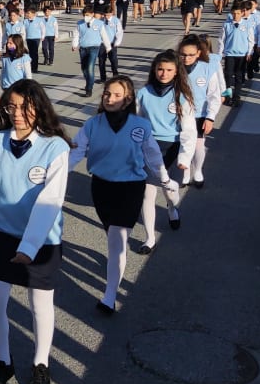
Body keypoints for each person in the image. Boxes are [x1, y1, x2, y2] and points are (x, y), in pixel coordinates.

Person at [0, 79, 71, 384]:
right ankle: (4, 362)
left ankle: (41, 363)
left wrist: (29, 246)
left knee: (40, 304)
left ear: (38, 108)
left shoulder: (55, 147)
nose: (16, 113)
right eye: (11, 106)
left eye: (24, 107)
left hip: (42, 241)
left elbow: (51, 200)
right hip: (2, 234)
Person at [68, 76, 175, 315]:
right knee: (113, 237)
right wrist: (54, 177)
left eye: (117, 95)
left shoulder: (140, 126)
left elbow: (153, 155)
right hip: (101, 187)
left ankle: (109, 296)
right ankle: (116, 267)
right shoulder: (92, 124)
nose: (110, 98)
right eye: (107, 94)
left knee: (117, 239)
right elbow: (75, 153)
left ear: (128, 99)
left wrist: (165, 179)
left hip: (130, 187)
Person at [136, 50, 195, 255]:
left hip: (173, 148)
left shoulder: (182, 96)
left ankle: (171, 208)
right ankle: (150, 238)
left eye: (169, 70)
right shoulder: (143, 93)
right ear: (154, 69)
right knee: (147, 193)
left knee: (170, 192)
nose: (164, 73)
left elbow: (189, 130)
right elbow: (136, 122)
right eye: (160, 69)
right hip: (149, 147)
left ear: (176, 71)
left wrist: (185, 157)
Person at [178, 34, 222, 188]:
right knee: (182, 144)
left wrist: (210, 117)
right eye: (183, 55)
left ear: (198, 53)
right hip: (179, 114)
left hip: (199, 115)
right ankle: (185, 173)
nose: (186, 58)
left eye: (191, 55)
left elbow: (214, 95)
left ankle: (197, 171)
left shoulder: (207, 68)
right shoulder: (175, 68)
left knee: (198, 146)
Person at [218, 0, 254, 107]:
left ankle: (236, 97)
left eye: (238, 13)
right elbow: (221, 40)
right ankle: (228, 96)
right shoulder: (227, 25)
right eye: (234, 13)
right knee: (228, 75)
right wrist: (220, 54)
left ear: (242, 13)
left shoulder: (247, 25)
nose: (236, 15)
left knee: (239, 76)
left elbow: (251, 39)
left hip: (242, 55)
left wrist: (249, 52)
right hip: (230, 54)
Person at [71, 5, 111, 97]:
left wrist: (108, 47)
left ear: (92, 14)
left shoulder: (99, 23)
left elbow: (104, 35)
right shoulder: (80, 23)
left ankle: (89, 88)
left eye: (88, 15)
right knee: (84, 69)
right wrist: (74, 44)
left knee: (90, 67)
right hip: (83, 48)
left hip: (94, 48)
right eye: (84, 15)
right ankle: (89, 82)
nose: (86, 17)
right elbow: (76, 35)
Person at [98, 5, 124, 81]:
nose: (106, 17)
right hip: (102, 43)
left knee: (113, 59)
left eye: (108, 15)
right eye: (105, 15)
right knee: (101, 60)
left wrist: (117, 42)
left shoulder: (116, 21)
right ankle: (103, 77)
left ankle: (115, 75)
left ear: (112, 13)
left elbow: (119, 32)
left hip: (112, 43)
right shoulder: (100, 21)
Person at [22, 4, 46, 73]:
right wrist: (23, 38)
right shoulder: (25, 21)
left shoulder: (39, 20)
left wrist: (43, 36)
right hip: (28, 38)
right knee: (30, 52)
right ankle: (30, 66)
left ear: (33, 13)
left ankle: (35, 67)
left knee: (35, 52)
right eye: (27, 13)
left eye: (29, 13)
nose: (27, 14)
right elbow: (23, 30)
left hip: (36, 38)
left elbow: (43, 28)